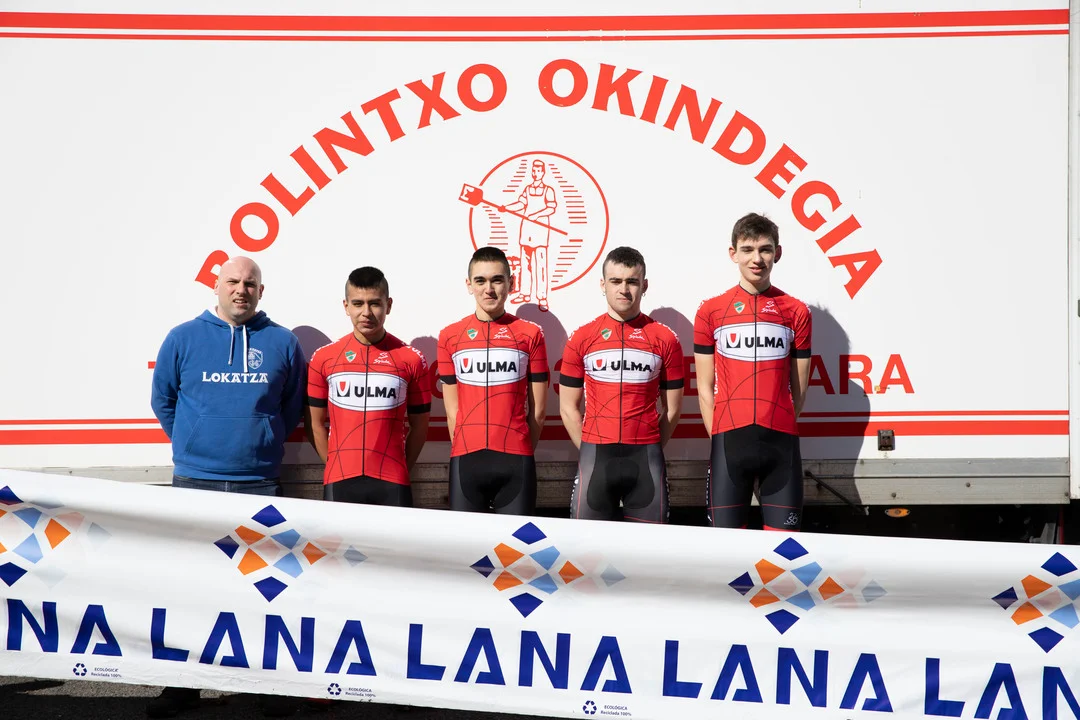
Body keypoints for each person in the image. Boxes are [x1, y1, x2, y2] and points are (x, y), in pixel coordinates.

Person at [149, 255, 305, 718]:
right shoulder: (183, 338)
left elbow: (291, 407)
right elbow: (163, 400)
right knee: (191, 588)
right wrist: (193, 442)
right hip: (194, 482)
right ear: (216, 287)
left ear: (261, 291)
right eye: (232, 281)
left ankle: (265, 686)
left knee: (261, 591)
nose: (241, 289)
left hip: (259, 484)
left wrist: (262, 439)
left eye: (250, 283)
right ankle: (182, 685)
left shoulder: (283, 342)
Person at [693, 213, 812, 531]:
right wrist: (720, 437)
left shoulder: (796, 311)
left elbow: (799, 388)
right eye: (747, 249)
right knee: (726, 552)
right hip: (729, 444)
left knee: (785, 551)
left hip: (780, 444)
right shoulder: (710, 311)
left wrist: (779, 423)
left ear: (777, 253)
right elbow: (704, 388)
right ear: (733, 254)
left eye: (765, 249)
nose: (756, 259)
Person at [559, 247, 684, 523]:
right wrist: (591, 448)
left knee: (648, 548)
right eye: (615, 281)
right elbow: (567, 408)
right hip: (595, 458)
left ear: (644, 285)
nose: (624, 289)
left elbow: (673, 410)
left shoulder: (665, 339)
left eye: (632, 282)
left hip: (646, 459)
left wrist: (649, 446)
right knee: (585, 549)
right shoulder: (582, 338)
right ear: (603, 284)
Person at [305, 267, 431, 505]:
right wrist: (335, 464)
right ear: (346, 306)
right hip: (340, 480)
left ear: (388, 305)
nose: (366, 312)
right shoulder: (324, 358)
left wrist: (401, 467)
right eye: (357, 304)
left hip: (393, 481)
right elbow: (314, 424)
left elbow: (420, 426)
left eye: (374, 303)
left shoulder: (411, 359)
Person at [437, 246, 549, 514]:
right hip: (466, 461)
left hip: (516, 462)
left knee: (516, 542)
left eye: (497, 280)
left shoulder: (530, 334)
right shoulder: (450, 337)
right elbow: (452, 412)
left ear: (511, 283)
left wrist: (520, 449)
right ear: (469, 285)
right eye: (481, 281)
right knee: (465, 541)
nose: (489, 289)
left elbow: (539, 411)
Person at [499, 159, 557, 312]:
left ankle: (542, 298)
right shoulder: (528, 188)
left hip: (541, 230)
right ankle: (525, 294)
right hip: (527, 230)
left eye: (538, 171)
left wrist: (537, 215)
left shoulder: (548, 190)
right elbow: (521, 204)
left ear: (543, 173)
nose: (535, 173)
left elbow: (552, 207)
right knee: (525, 264)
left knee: (541, 265)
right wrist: (506, 208)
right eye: (533, 171)